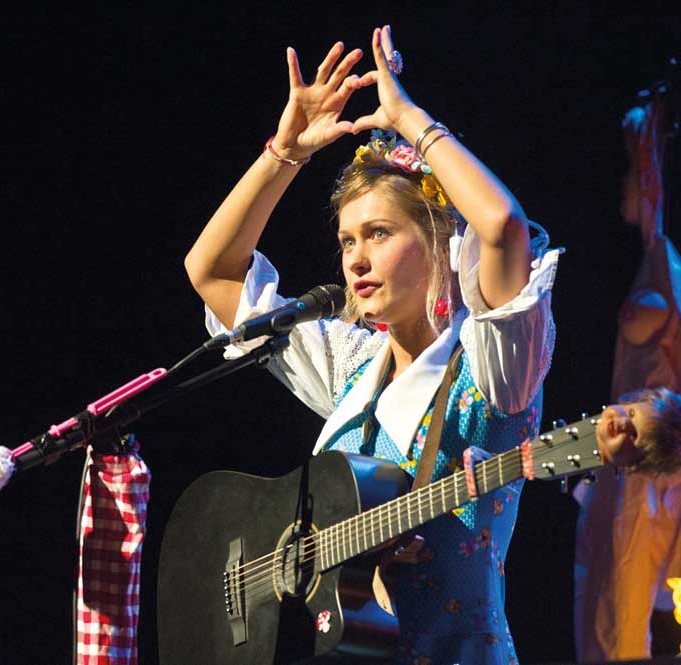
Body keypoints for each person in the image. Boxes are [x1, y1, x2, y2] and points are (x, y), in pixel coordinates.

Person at [184, 25, 560, 665]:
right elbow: (212, 270)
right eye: (347, 241)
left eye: (379, 233)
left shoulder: (493, 367)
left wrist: (410, 119)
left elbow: (502, 227)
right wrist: (284, 153)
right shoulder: (354, 369)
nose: (356, 259)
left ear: (440, 242)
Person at [573, 94, 681, 661]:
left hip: (649, 467)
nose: (622, 185)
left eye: (631, 171)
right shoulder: (657, 259)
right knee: (603, 610)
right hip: (632, 463)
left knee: (618, 623)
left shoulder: (666, 263)